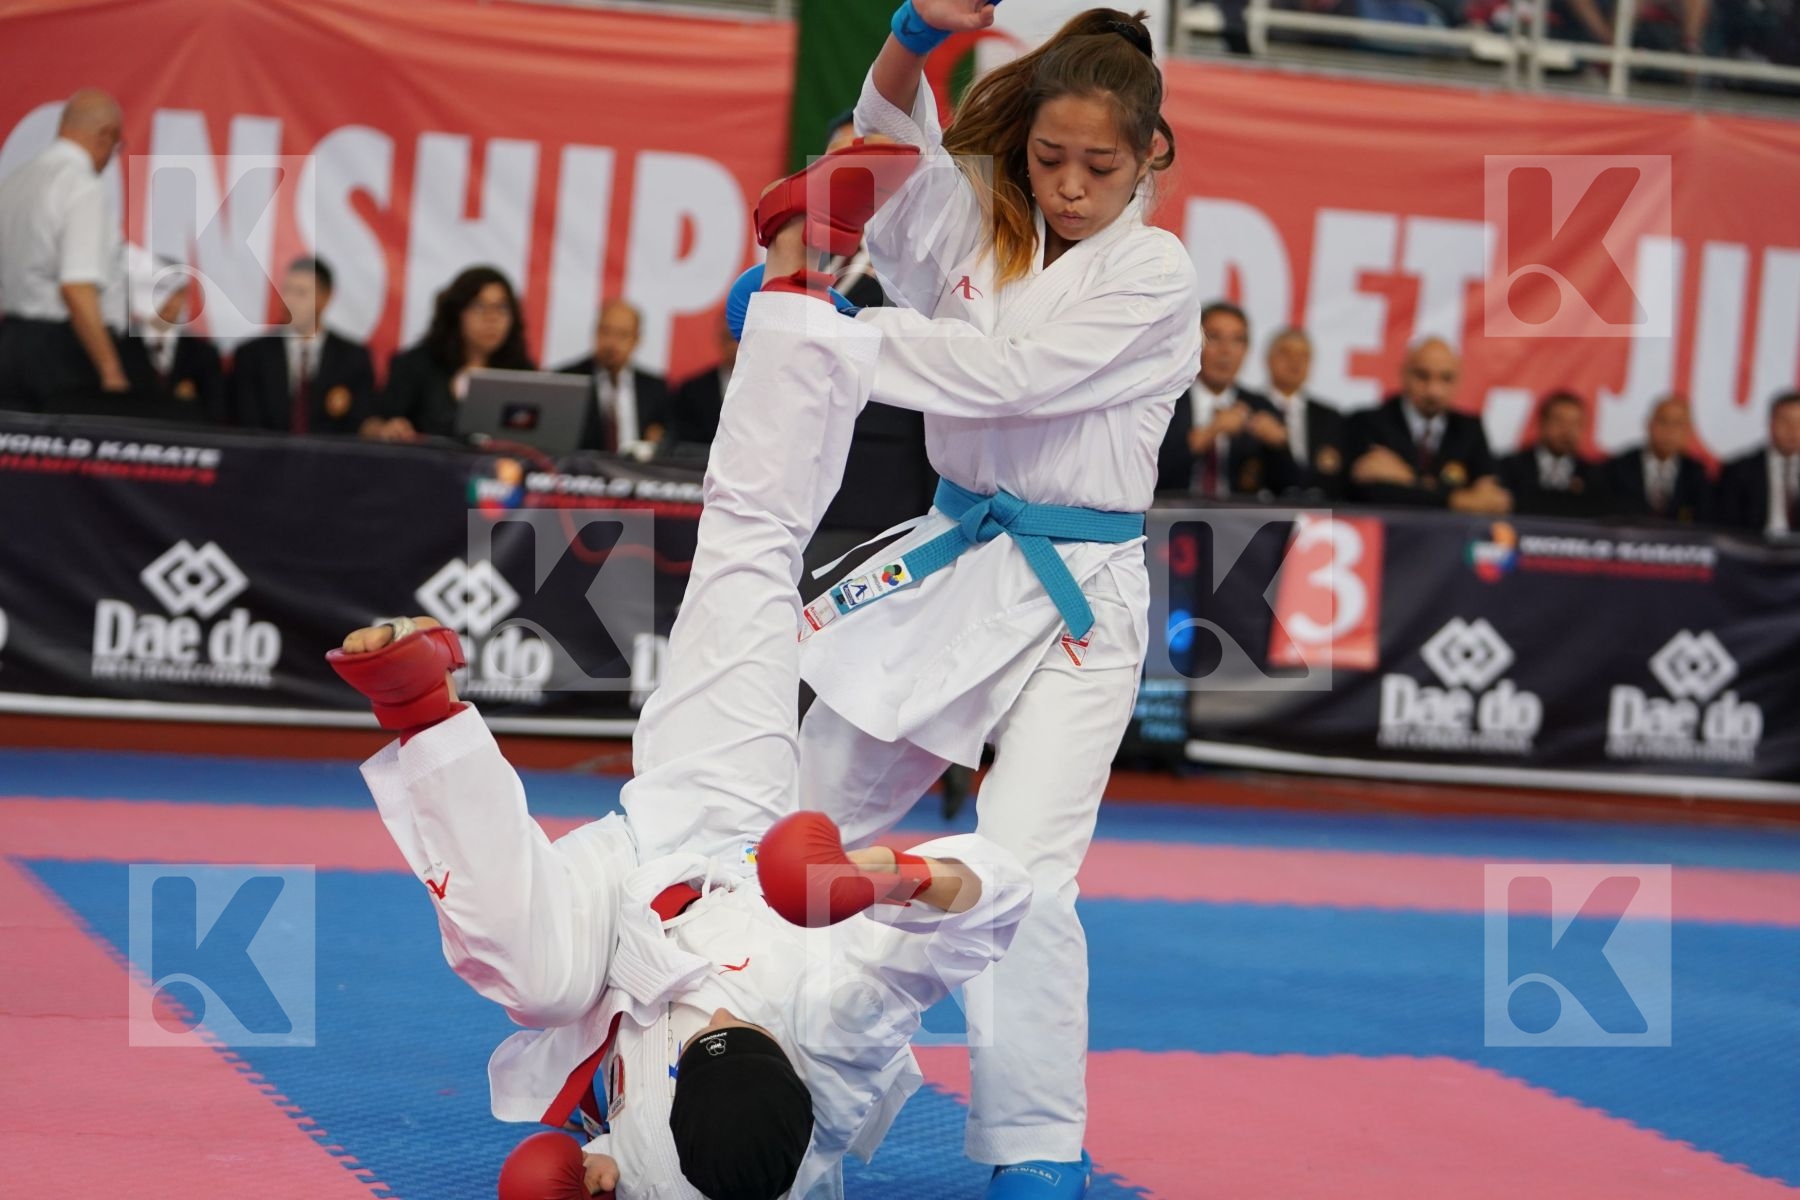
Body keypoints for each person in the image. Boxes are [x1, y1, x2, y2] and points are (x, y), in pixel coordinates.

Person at [328, 217, 1031, 1200]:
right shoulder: (835, 1029)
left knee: (535, 983)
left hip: (615, 929)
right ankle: (796, 296)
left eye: (701, 1045)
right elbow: (999, 902)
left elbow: (592, 1159)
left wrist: (585, 1172)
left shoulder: (660, 1159)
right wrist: (891, 880)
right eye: (735, 1033)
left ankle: (423, 713)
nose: (710, 1020)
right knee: (749, 545)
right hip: (726, 840)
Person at [787, 7, 1202, 1195]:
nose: (1069, 186)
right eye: (1048, 159)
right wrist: (910, 44)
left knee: (1026, 876)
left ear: (1152, 155)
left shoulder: (1157, 274)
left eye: (1101, 166)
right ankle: (753, 1068)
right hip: (950, 562)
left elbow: (1021, 381)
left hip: (1080, 602)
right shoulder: (982, 219)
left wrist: (828, 337)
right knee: (803, 821)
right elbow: (890, 161)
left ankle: (1034, 1153)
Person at [0, 89, 127, 412]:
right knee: (71, 458)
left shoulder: (15, 181)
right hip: (61, 351)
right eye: (116, 145)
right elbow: (76, 286)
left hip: (10, 344)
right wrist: (110, 369)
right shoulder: (81, 186)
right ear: (105, 135)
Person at [1344, 336, 1512, 513]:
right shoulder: (1368, 422)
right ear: (1404, 373)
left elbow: (1495, 502)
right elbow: (1375, 494)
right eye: (1423, 376)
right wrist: (1462, 499)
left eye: (1446, 378)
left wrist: (1408, 479)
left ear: (1459, 380)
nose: (1434, 390)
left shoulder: (1469, 429)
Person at [376, 266, 533, 440]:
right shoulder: (416, 365)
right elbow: (374, 423)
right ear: (456, 313)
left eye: (502, 307)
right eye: (479, 306)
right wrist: (388, 428)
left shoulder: (525, 374)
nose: (492, 318)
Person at [1156, 301, 1289, 499]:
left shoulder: (1261, 406)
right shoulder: (1167, 400)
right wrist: (1210, 432)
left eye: (1237, 340)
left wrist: (1278, 447)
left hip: (1240, 526)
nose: (1226, 351)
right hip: (1169, 522)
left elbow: (1291, 489)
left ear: (1246, 350)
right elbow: (1149, 476)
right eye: (1215, 337)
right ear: (1194, 342)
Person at [229, 258, 375, 434]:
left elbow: (359, 424)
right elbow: (246, 423)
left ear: (325, 297)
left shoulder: (353, 358)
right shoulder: (252, 355)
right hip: (264, 457)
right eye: (286, 291)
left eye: (300, 293)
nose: (290, 300)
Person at [115, 257, 225, 424]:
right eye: (159, 290)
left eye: (176, 292)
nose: (168, 300)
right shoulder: (117, 348)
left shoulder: (204, 354)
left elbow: (215, 416)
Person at [555, 298, 669, 458]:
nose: (611, 342)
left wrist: (659, 440)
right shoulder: (567, 380)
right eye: (605, 331)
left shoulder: (655, 388)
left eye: (622, 334)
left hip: (637, 474)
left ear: (637, 340)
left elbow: (669, 439)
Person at [1262, 327, 1347, 499]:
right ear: (1268, 359)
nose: (1295, 362)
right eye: (1286, 353)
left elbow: (1336, 475)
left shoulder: (1330, 417)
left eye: (1303, 356)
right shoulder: (1251, 408)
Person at [1496, 390, 1609, 517]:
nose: (1567, 431)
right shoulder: (1510, 467)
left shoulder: (1594, 476)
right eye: (1559, 421)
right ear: (1542, 423)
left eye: (1575, 424)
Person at [1603, 395, 1710, 523]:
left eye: (1678, 424)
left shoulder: (1696, 473)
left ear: (1689, 431)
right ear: (1649, 424)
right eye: (1663, 421)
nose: (1670, 431)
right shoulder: (1618, 467)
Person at [1716, 390, 1800, 536]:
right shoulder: (1739, 470)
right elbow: (1726, 526)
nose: (1793, 430)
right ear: (1771, 423)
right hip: (1752, 551)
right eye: (1785, 421)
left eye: (1799, 422)